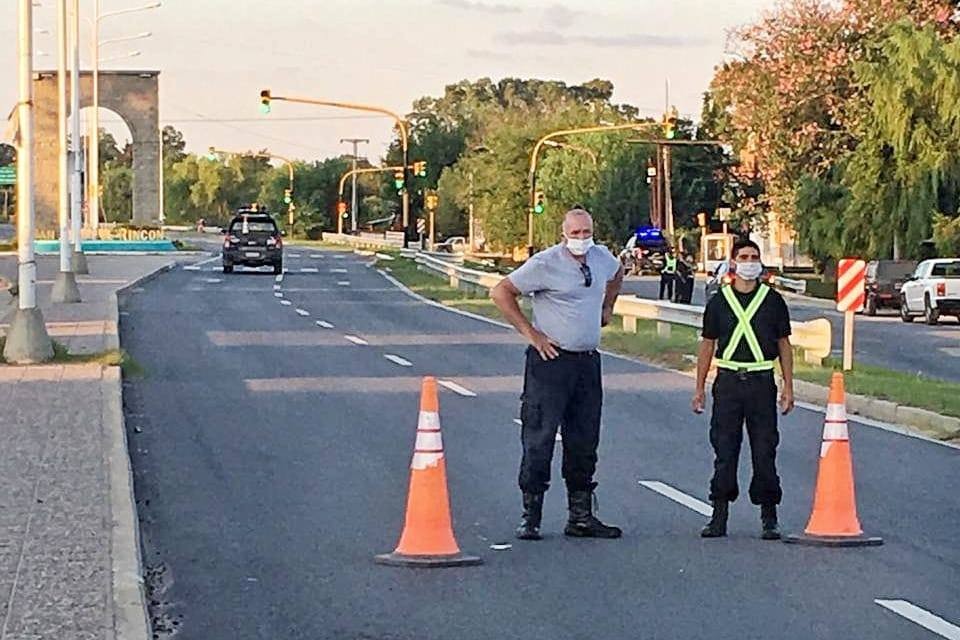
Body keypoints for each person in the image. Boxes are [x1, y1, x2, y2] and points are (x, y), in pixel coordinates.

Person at [491, 207, 624, 541]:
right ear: (564, 233)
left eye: (586, 232)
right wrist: (532, 334)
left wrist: (608, 307)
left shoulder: (601, 258)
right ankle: (531, 515)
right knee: (540, 436)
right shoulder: (545, 263)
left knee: (584, 440)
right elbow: (501, 292)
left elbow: (618, 272)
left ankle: (580, 516)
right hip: (550, 363)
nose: (582, 238)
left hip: (586, 363)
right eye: (575, 233)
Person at [691, 239, 795, 540]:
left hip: (761, 381)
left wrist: (788, 386)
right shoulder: (719, 301)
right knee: (725, 449)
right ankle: (719, 515)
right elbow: (707, 344)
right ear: (734, 262)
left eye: (754, 257)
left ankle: (769, 516)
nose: (750, 262)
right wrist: (699, 388)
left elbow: (784, 345)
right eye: (744, 257)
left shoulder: (773, 301)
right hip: (728, 382)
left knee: (765, 449)